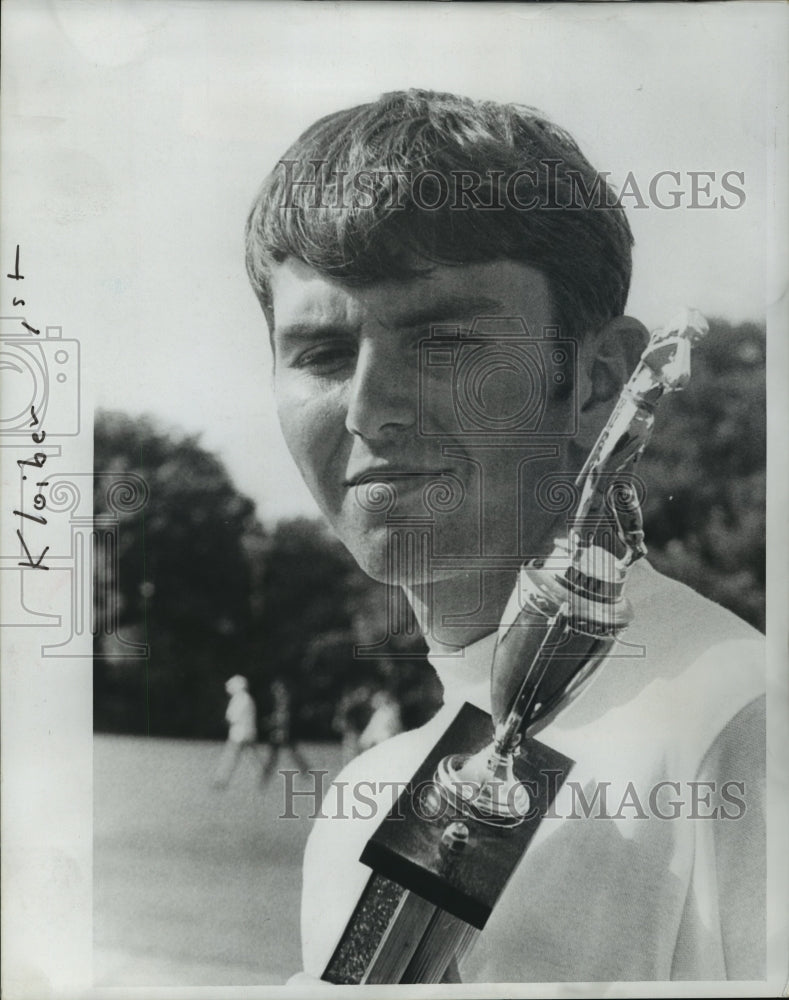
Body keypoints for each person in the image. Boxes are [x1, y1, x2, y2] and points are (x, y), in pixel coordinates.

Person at [244, 90, 765, 982]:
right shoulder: (367, 794)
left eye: (443, 342)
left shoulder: (739, 720)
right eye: (323, 356)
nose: (370, 409)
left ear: (596, 379)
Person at [213, 674, 261, 788]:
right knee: (252, 758)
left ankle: (221, 780)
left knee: (229, 757)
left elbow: (232, 717)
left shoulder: (239, 698)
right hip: (248, 732)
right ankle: (261, 779)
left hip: (238, 734)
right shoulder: (248, 698)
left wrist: (228, 720)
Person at [260, 679, 311, 782]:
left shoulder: (282, 699)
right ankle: (306, 771)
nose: (274, 691)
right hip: (281, 730)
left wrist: (275, 725)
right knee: (291, 754)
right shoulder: (282, 699)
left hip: (281, 731)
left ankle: (265, 777)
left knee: (274, 756)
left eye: (276, 688)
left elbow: (283, 717)